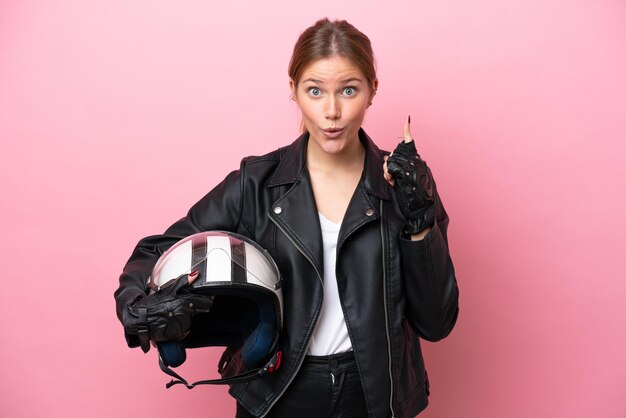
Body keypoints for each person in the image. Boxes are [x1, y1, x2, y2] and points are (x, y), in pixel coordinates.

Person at [114, 17, 459, 418]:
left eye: (349, 90)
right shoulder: (255, 183)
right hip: (278, 392)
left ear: (371, 91)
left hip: (373, 396)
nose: (332, 112)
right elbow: (156, 250)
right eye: (315, 91)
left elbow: (437, 324)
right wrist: (135, 303)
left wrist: (419, 224)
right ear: (294, 90)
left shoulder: (404, 184)